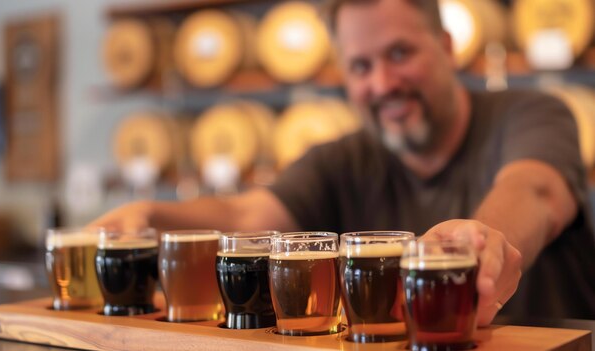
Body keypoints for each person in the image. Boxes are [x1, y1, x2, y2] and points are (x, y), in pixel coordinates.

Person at [90, 0, 595, 323]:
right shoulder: (343, 158)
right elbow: (248, 217)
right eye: (360, 66)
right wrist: (154, 216)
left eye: (399, 53)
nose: (381, 83)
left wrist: (482, 237)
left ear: (445, 48)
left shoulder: (531, 112)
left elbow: (535, 190)